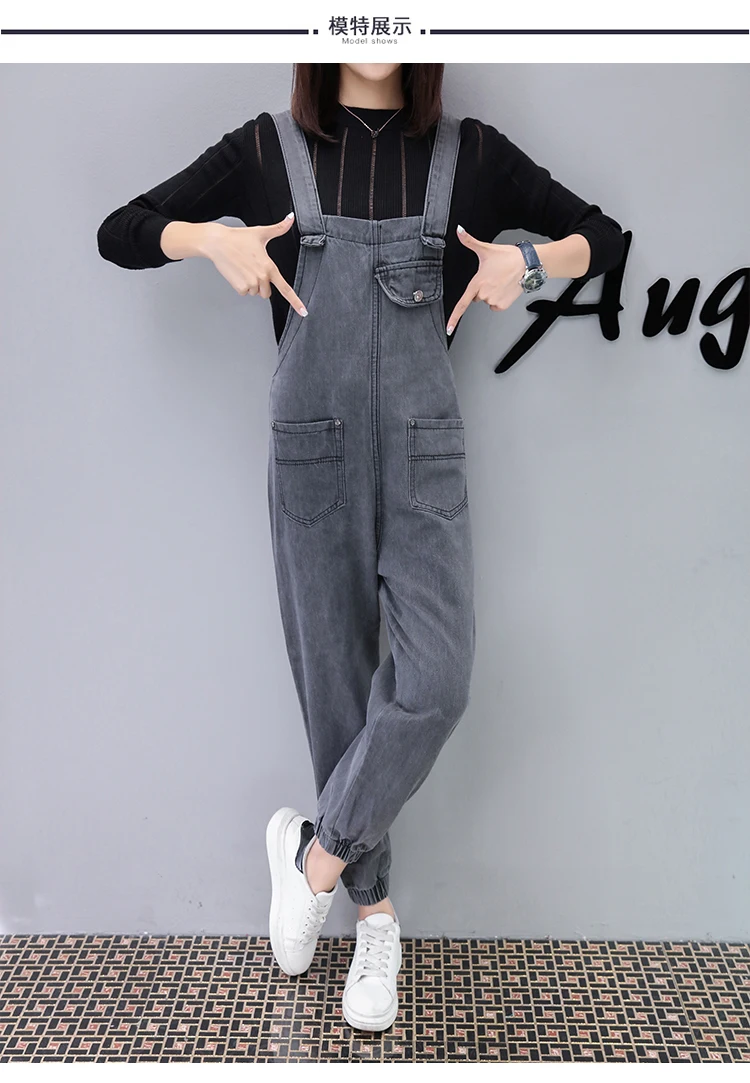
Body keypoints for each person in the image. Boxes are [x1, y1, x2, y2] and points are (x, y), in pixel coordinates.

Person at [97, 61, 626, 1033]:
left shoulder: (470, 155)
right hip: (314, 454)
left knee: (436, 681)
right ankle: (376, 918)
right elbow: (119, 232)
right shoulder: (268, 149)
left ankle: (316, 857)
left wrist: (530, 264)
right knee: (337, 691)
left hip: (425, 457)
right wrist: (208, 239)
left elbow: (607, 236)